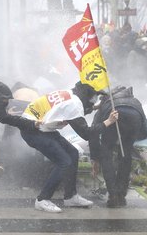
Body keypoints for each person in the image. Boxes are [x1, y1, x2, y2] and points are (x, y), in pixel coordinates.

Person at [20, 81, 113, 213]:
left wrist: (94, 107)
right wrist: (108, 122)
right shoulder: (74, 104)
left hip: (40, 128)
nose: (96, 98)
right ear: (88, 94)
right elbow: (86, 133)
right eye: (95, 95)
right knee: (64, 162)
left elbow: (75, 113)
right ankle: (42, 200)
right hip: (34, 131)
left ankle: (70, 196)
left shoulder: (71, 95)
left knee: (73, 153)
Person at [89, 86, 147, 208]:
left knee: (106, 152)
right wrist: (131, 139)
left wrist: (95, 158)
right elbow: (143, 128)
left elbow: (93, 132)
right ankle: (121, 193)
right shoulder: (135, 101)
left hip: (111, 114)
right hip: (134, 118)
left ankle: (113, 195)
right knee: (125, 154)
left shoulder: (106, 102)